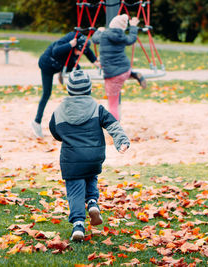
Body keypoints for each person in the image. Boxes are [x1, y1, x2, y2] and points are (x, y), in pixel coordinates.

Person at [49, 70, 130, 241]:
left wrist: (67, 136)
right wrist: (121, 140)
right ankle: (93, 202)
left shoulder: (59, 111)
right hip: (94, 155)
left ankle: (78, 224)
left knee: (75, 191)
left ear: (69, 89)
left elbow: (55, 132)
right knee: (90, 176)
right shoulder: (96, 107)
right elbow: (112, 124)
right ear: (89, 89)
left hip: (71, 159)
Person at [31, 32, 101, 138]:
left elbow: (86, 51)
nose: (79, 54)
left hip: (63, 63)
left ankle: (77, 96)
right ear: (74, 45)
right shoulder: (68, 41)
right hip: (48, 64)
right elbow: (55, 51)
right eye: (77, 51)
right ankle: (36, 122)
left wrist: (95, 62)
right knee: (46, 93)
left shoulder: (81, 42)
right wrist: (70, 45)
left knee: (77, 69)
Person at [92, 14, 147, 121]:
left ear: (111, 25)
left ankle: (115, 129)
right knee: (123, 74)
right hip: (125, 69)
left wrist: (98, 30)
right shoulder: (122, 36)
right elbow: (132, 39)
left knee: (113, 104)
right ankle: (134, 74)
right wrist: (133, 26)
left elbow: (94, 39)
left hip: (112, 74)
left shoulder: (103, 34)